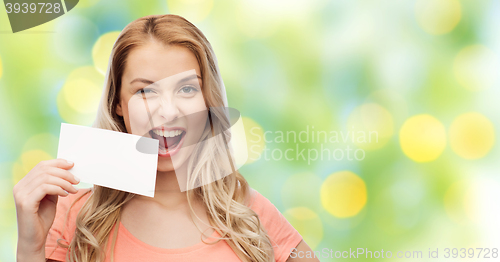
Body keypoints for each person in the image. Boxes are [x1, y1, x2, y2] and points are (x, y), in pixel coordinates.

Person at [13, 14, 319, 262]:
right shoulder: (72, 217)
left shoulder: (247, 214)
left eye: (187, 89)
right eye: (145, 91)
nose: (168, 111)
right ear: (117, 103)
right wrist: (30, 248)